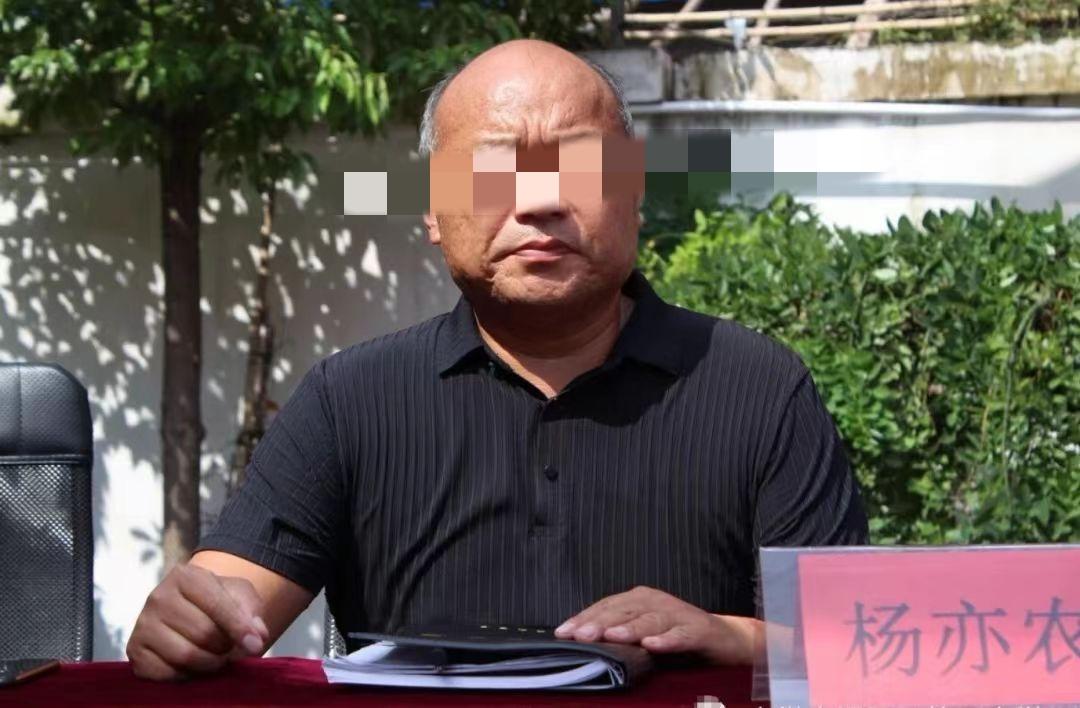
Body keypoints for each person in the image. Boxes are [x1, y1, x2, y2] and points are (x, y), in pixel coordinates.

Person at [126, 39, 867, 681]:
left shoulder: (758, 387)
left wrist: (727, 636)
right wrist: (188, 624)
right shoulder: (350, 399)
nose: (540, 201)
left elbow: (855, 650)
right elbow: (225, 604)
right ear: (432, 210)